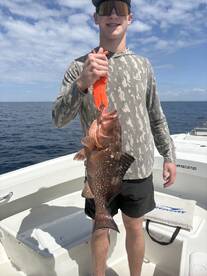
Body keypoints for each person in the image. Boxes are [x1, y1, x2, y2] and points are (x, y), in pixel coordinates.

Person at [52, 0, 177, 275]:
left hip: (139, 168)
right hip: (99, 170)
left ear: (129, 18)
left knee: (135, 226)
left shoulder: (143, 65)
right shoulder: (78, 67)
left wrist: (169, 154)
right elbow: (58, 119)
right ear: (95, 18)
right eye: (105, 8)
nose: (112, 15)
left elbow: (156, 114)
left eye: (119, 9)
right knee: (99, 229)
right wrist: (82, 84)